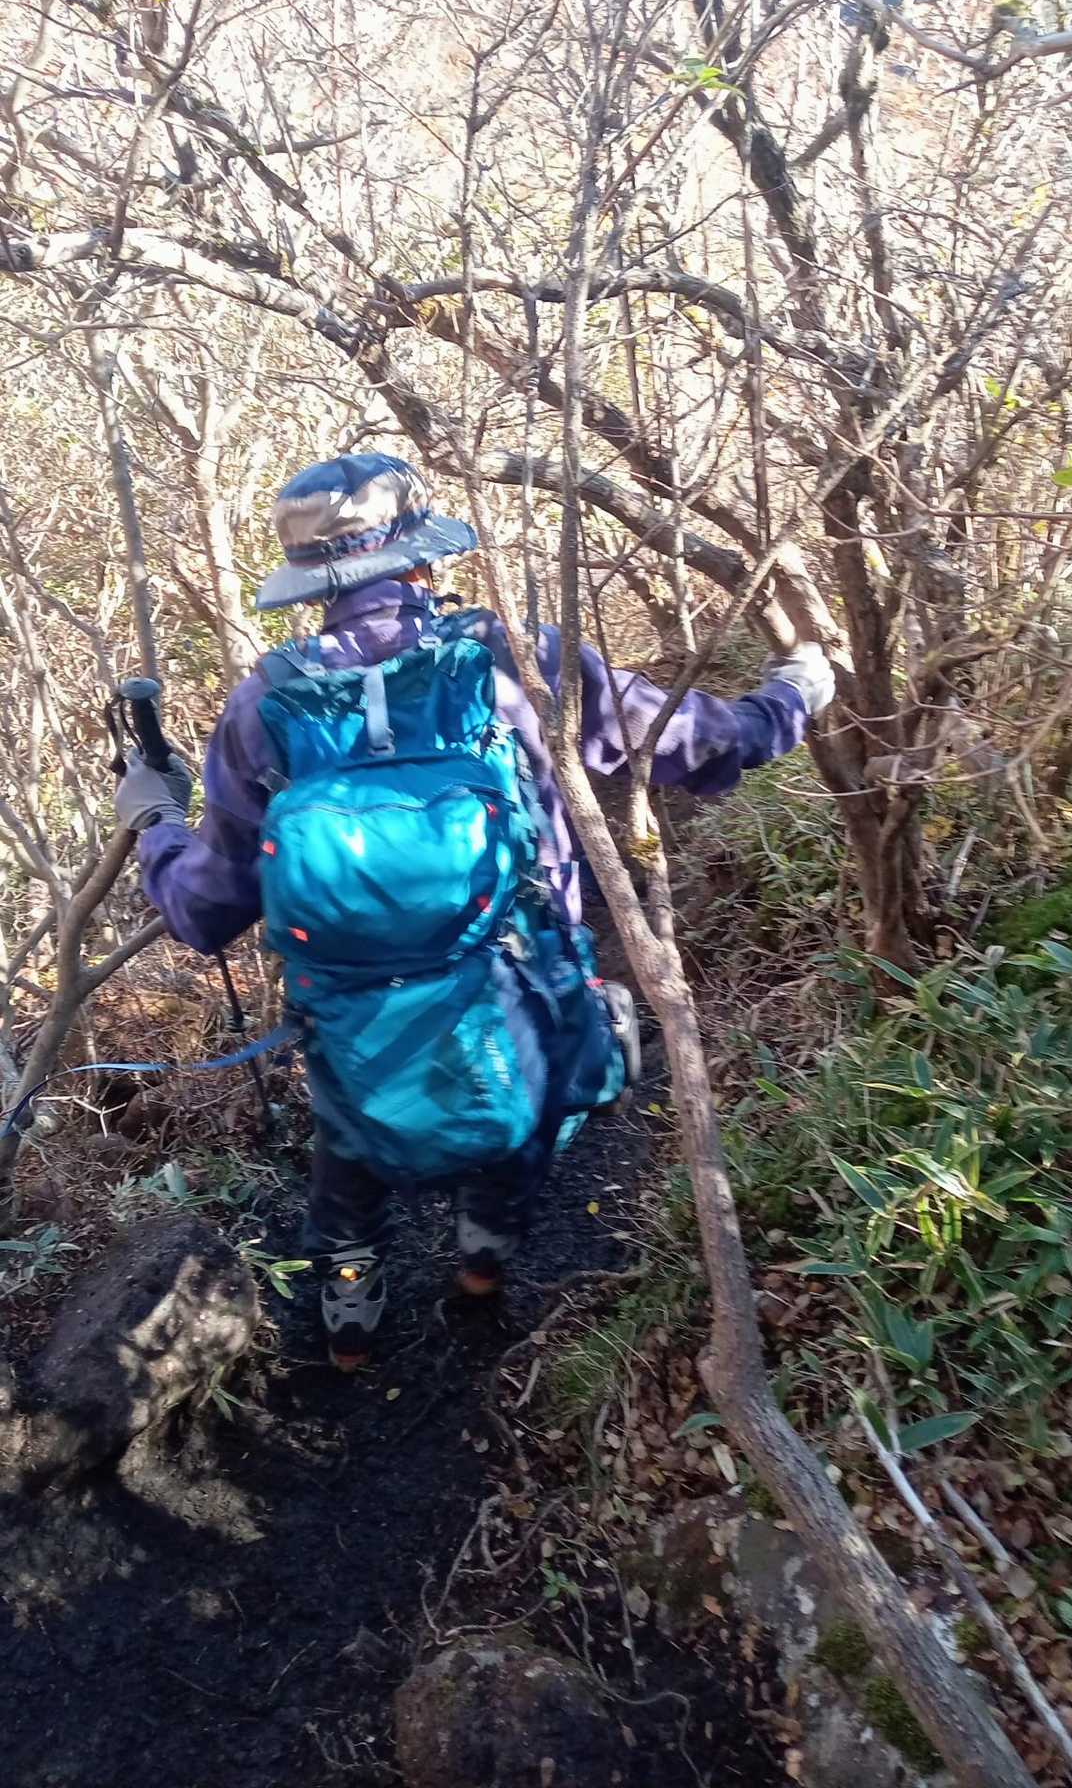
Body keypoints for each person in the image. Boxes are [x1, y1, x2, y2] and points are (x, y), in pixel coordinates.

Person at [115, 452, 834, 1368]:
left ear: (309, 583)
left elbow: (204, 911)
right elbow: (698, 741)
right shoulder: (514, 661)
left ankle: (350, 1319)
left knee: (349, 1157)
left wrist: (154, 820)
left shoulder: (266, 708)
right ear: (423, 557)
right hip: (518, 988)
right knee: (515, 1119)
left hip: (351, 1021)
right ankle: (482, 1276)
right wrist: (793, 694)